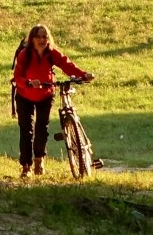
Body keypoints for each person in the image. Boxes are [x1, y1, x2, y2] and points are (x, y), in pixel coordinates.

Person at [12, 24, 93, 177]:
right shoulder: (25, 54)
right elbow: (18, 77)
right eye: (38, 37)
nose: (42, 40)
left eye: (45, 37)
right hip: (24, 95)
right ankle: (26, 167)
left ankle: (39, 160)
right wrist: (29, 83)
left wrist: (84, 75)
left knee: (42, 129)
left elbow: (66, 64)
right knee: (26, 130)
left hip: (45, 94)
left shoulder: (52, 53)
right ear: (32, 39)